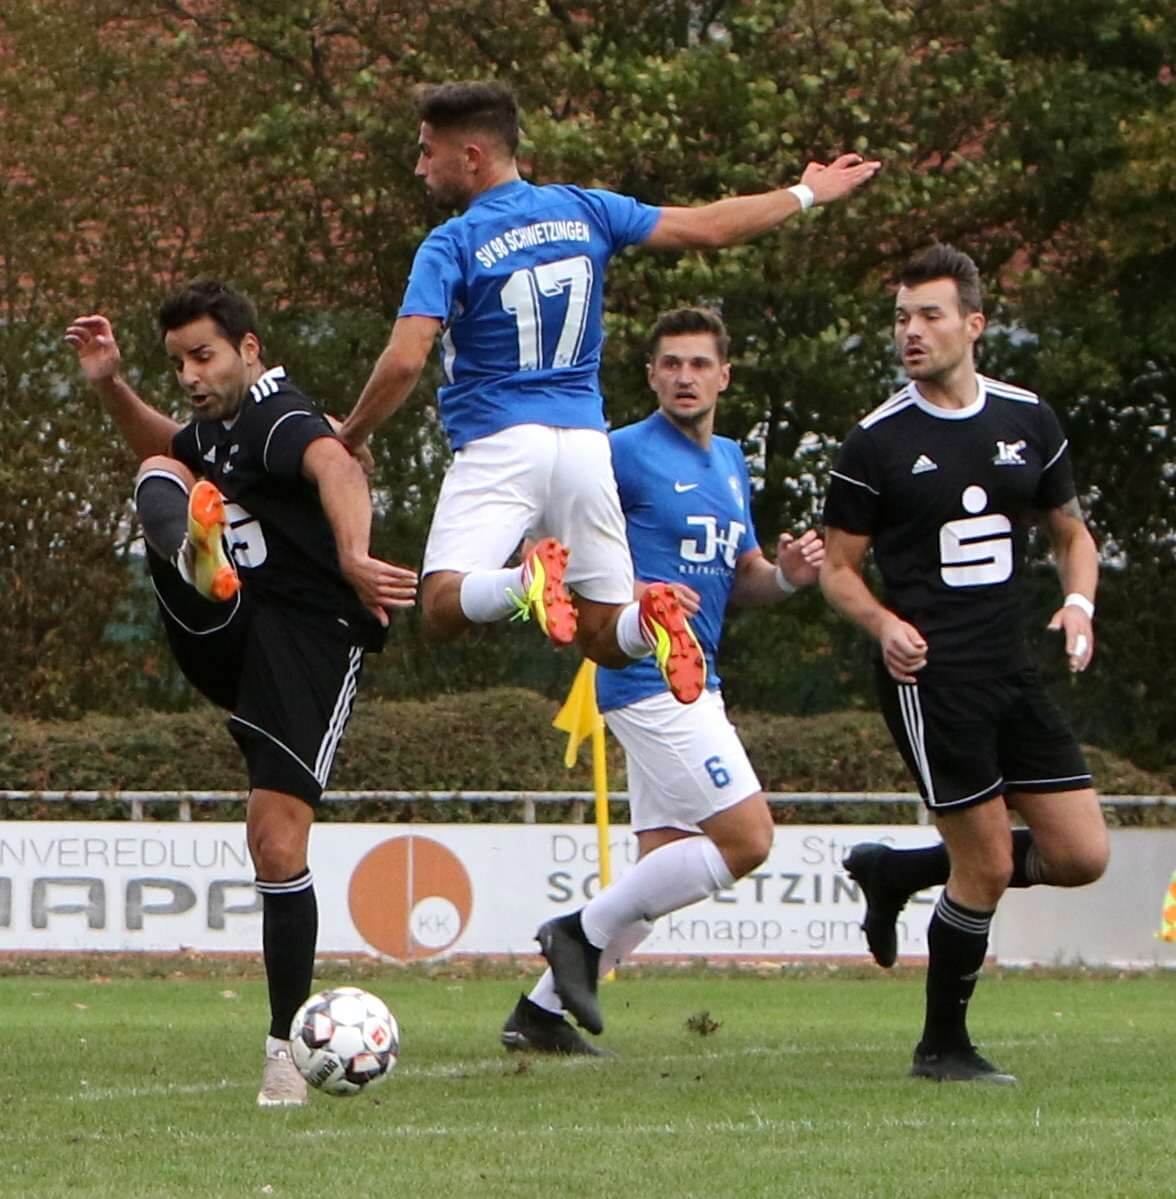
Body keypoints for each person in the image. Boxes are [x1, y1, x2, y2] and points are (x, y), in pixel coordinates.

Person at [337, 80, 877, 705]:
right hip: (587, 448)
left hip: (500, 443)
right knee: (603, 633)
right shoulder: (584, 210)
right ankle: (652, 616)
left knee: (439, 604)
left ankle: (522, 583)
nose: (420, 166)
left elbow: (406, 359)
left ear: (473, 156)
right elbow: (708, 228)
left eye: (430, 151)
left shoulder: (451, 243)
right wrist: (806, 192)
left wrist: (352, 434)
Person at [65, 281, 418, 1107]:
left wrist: (357, 554)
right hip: (240, 624)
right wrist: (114, 384)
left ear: (249, 349)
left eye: (204, 355)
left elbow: (334, 459)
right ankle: (199, 563)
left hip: (309, 639)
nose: (190, 373)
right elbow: (171, 437)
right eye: (178, 360)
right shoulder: (221, 427)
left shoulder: (273, 409)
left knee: (274, 843)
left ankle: (285, 1048)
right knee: (163, 459)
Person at [819, 244, 1108, 1085]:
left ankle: (900, 869)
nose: (911, 330)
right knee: (982, 862)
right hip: (928, 677)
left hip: (1010, 668)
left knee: (1083, 853)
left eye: (930, 314)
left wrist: (1079, 602)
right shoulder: (875, 441)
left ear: (974, 324)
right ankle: (942, 1045)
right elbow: (839, 571)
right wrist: (882, 624)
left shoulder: (1028, 419)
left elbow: (1071, 534)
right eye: (902, 316)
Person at [500, 307, 824, 1052]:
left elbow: (742, 578)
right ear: (650, 375)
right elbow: (548, 518)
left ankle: (541, 1015)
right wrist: (545, 579)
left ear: (724, 376)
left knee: (662, 864)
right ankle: (575, 933)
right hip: (644, 672)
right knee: (747, 838)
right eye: (671, 363)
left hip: (697, 678)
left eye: (700, 363)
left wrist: (790, 578)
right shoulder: (622, 453)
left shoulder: (732, 461)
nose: (686, 376)